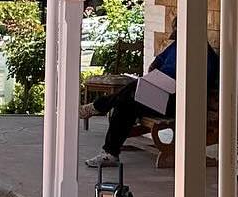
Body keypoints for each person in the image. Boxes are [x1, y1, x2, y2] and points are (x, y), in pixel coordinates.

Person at [82, 24, 218, 167]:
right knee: (127, 102)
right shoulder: (177, 46)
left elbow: (198, 87)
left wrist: (175, 84)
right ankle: (110, 154)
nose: (177, 36)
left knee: (130, 94)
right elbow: (155, 64)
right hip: (159, 94)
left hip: (177, 102)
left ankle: (99, 107)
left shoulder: (205, 56)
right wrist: (156, 77)